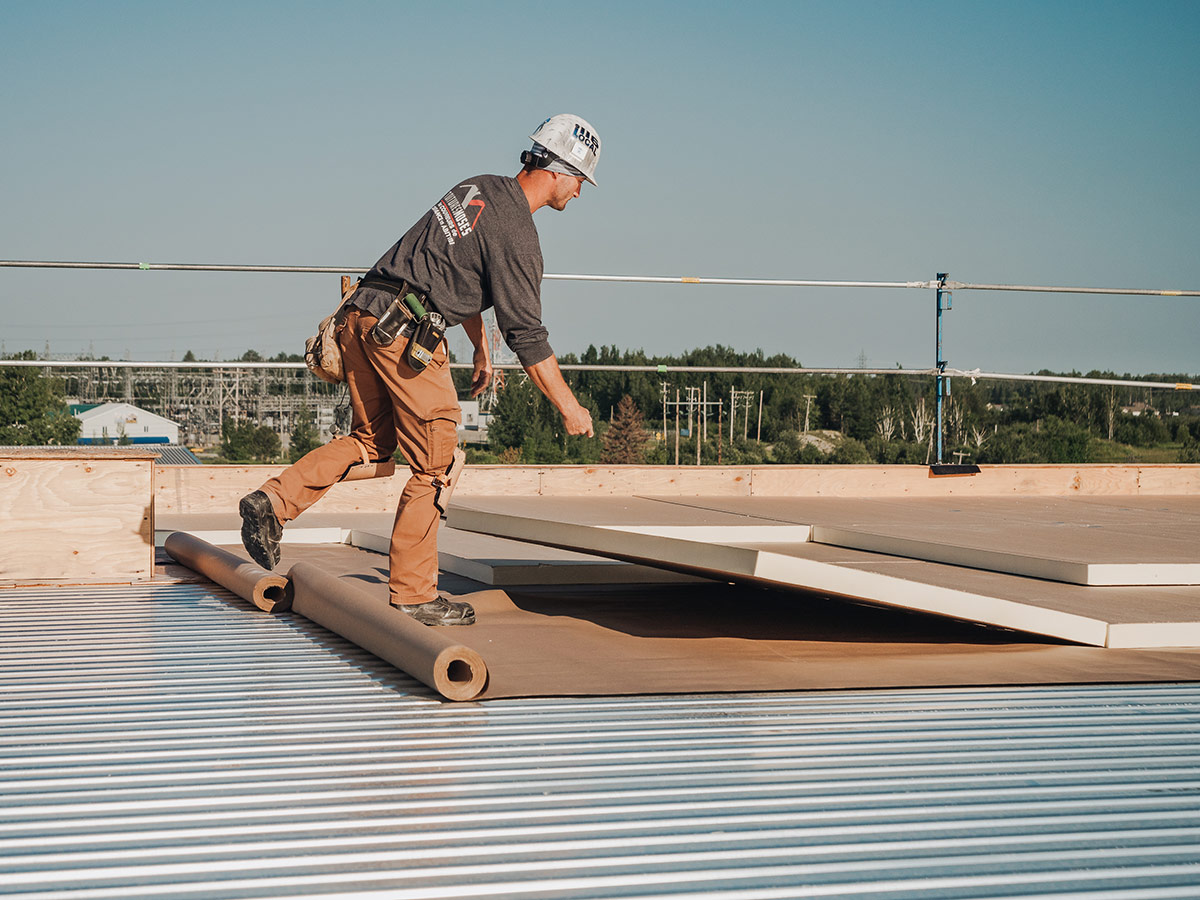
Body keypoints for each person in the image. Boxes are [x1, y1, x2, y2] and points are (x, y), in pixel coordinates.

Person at [238, 114, 600, 626]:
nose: (581, 193)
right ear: (560, 170)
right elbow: (528, 335)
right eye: (581, 180)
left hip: (360, 317)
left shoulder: (477, 189)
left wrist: (478, 349)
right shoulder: (519, 233)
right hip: (404, 333)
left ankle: (271, 503)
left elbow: (458, 273)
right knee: (438, 463)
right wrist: (569, 406)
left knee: (371, 443)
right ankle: (414, 594)